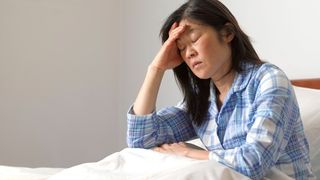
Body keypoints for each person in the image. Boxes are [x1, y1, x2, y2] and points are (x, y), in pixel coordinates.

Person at [126, 0, 315, 179]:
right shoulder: (202, 98)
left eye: (194, 39)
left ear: (227, 33)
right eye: (181, 48)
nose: (189, 53)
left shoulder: (269, 80)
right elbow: (142, 139)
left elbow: (254, 162)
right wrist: (156, 69)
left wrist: (190, 152)